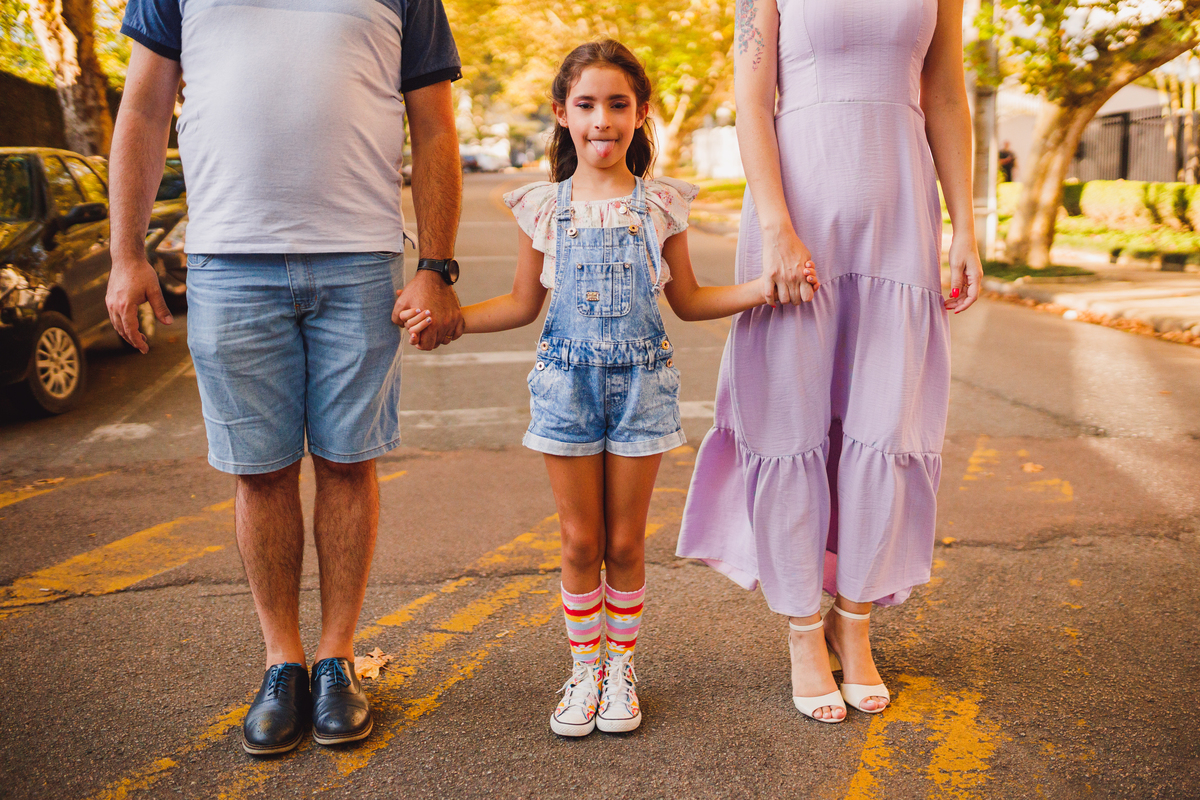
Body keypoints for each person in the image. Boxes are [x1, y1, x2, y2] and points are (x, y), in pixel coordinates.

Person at [400, 39, 817, 737]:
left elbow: (687, 301)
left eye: (617, 105)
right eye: (586, 104)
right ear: (562, 113)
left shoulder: (662, 204)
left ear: (641, 113)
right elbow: (520, 305)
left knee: (624, 543)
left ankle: (621, 669)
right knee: (575, 540)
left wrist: (765, 290)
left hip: (642, 386)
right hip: (564, 386)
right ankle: (583, 669)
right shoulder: (542, 207)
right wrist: (450, 323)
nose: (602, 119)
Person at [105, 0, 464, 755]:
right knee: (259, 471)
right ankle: (282, 663)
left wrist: (435, 266)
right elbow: (142, 108)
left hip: (360, 258)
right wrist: (126, 255)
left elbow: (434, 125)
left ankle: (336, 660)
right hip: (229, 262)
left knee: (345, 461)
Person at [676, 0, 983, 723]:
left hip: (901, 219)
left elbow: (944, 91)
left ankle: (855, 618)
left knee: (884, 422)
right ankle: (802, 630)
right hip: (800, 210)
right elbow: (752, 101)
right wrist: (777, 225)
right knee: (790, 421)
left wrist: (966, 224)